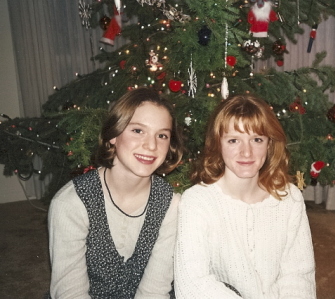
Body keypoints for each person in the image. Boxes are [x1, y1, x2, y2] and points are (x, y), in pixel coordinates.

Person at [174, 94, 316, 298]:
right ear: (218, 144)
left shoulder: (289, 197)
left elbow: (299, 275)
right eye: (233, 140)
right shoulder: (197, 202)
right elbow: (192, 285)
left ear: (269, 144)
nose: (246, 152)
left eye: (256, 139)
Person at [47, 87, 183, 298]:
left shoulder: (170, 204)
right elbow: (70, 293)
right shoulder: (71, 203)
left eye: (162, 135)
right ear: (113, 136)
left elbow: (154, 291)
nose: (151, 145)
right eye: (138, 130)